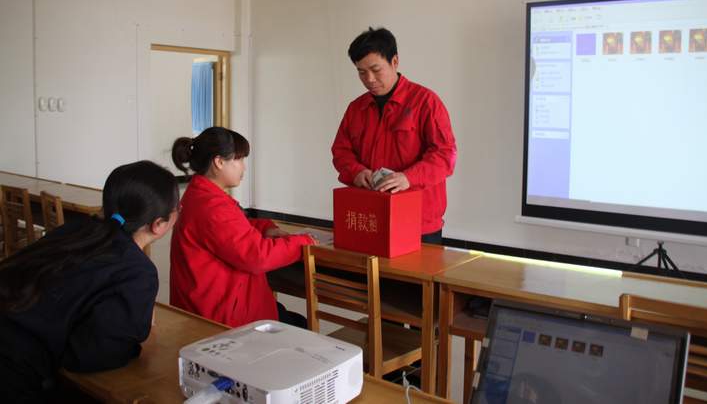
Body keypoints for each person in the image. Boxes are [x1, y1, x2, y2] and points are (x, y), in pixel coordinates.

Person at [0, 161, 179, 403]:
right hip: (13, 372)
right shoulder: (138, 271)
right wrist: (142, 340)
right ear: (159, 224)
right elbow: (89, 356)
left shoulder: (74, 230)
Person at [170, 126, 315, 328]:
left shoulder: (199, 194)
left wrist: (264, 228)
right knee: (301, 327)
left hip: (208, 304)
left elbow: (231, 229)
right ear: (219, 162)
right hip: (222, 317)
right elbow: (257, 257)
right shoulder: (213, 207)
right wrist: (303, 242)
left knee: (292, 319)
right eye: (238, 159)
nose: (243, 168)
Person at [332, 27, 457, 244]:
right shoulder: (356, 108)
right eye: (361, 72)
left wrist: (409, 178)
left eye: (375, 69)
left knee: (415, 269)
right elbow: (341, 151)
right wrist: (356, 172)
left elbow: (445, 155)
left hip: (417, 221)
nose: (369, 79)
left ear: (395, 61)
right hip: (372, 216)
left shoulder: (425, 102)